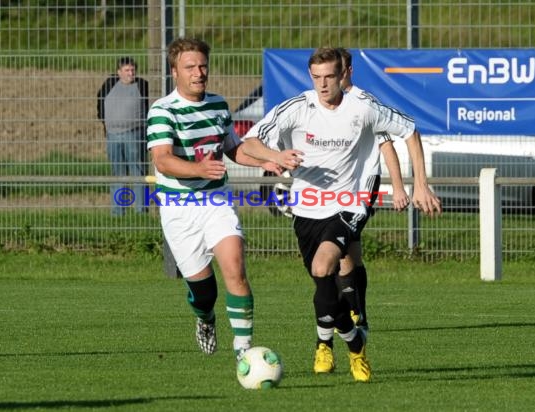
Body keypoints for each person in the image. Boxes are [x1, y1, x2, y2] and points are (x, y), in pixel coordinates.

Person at [242, 47, 442, 382]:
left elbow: (408, 131)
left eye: (329, 77)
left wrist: (418, 184)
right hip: (306, 207)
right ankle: (345, 342)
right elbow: (249, 143)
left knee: (328, 265)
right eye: (316, 77)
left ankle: (345, 336)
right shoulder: (296, 108)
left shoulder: (362, 106)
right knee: (323, 283)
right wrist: (275, 155)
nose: (323, 84)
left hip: (351, 203)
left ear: (343, 75)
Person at [146, 38, 281, 361]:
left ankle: (244, 352)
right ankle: (205, 320)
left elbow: (234, 148)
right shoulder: (162, 110)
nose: (199, 72)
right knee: (205, 293)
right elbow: (162, 160)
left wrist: (265, 161)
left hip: (215, 200)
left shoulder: (219, 104)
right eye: (190, 67)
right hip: (179, 208)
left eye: (203, 65)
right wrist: (198, 168)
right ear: (175, 71)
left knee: (235, 265)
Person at [335, 48, 411, 335]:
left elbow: (386, 145)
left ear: (349, 72)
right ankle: (358, 312)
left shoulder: (364, 103)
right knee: (352, 252)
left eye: (337, 72)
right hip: (335, 189)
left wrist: (399, 187)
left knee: (341, 246)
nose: (331, 80)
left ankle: (350, 312)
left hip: (363, 187)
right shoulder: (323, 103)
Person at [97, 56, 149, 216]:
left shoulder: (142, 85)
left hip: (135, 134)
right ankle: (118, 212)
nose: (130, 73)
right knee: (118, 174)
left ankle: (142, 212)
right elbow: (100, 102)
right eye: (127, 70)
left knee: (139, 173)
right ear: (119, 72)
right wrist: (105, 121)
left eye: (132, 70)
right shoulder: (110, 84)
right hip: (113, 135)